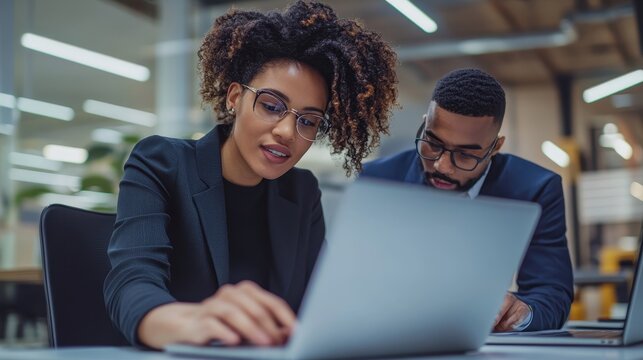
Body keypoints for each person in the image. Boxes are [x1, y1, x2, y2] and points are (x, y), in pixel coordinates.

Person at [104, 1, 397, 349]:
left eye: (308, 120)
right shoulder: (162, 163)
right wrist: (192, 321)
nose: (288, 131)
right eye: (272, 106)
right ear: (235, 97)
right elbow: (131, 282)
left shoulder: (301, 192)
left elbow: (318, 302)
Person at [361, 68, 573, 332]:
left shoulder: (534, 189)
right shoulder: (378, 181)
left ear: (495, 148)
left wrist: (521, 312)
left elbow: (551, 292)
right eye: (433, 143)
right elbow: (353, 278)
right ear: (425, 124)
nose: (442, 166)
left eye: (465, 155)